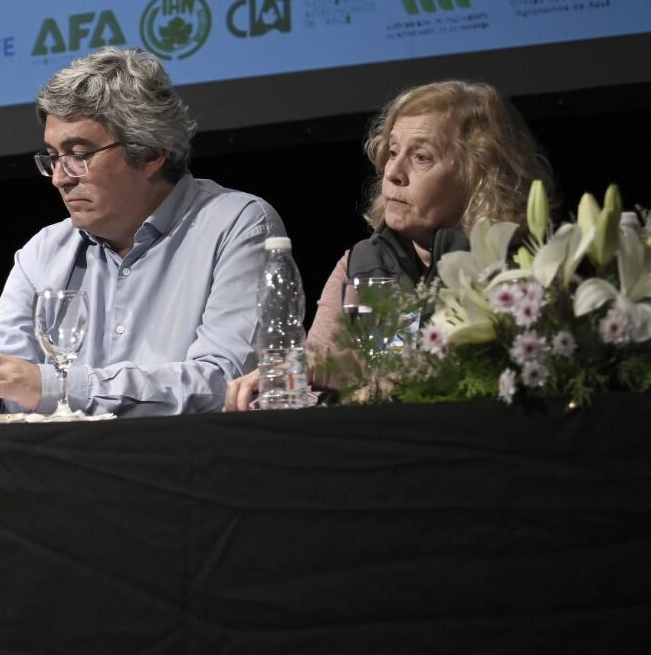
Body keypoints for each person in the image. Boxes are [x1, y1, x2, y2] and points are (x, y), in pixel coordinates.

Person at [0, 47, 285, 418]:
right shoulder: (44, 251)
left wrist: (56, 387)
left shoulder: (237, 225)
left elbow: (223, 383)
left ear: (149, 153)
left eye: (78, 154)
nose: (61, 178)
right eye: (52, 157)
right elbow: (6, 375)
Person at [223, 79, 551, 410]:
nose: (393, 171)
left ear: (479, 175)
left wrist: (331, 372)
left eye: (421, 157)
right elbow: (316, 368)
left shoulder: (517, 268)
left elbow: (453, 379)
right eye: (392, 152)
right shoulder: (360, 262)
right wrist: (264, 402)